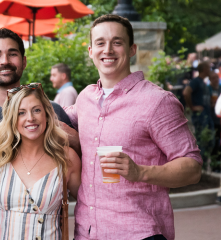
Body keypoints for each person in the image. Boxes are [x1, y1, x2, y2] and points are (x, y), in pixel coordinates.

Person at [63, 14, 202, 240]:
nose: (107, 50)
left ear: (132, 49)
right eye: (100, 43)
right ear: (90, 51)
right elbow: (55, 120)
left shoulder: (157, 102)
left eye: (117, 42)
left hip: (138, 233)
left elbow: (193, 168)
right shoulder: (85, 98)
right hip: (87, 231)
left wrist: (140, 172)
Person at [0, 27, 81, 240]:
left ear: (24, 62)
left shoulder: (53, 111)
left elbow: (79, 161)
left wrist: (66, 133)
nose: (4, 61)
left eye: (12, 54)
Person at [0, 83, 81, 239]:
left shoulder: (66, 158)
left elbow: (88, 206)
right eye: (21, 113)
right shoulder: (1, 157)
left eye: (36, 110)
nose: (30, 118)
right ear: (12, 118)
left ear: (46, 114)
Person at [183, 61, 214, 160]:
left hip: (207, 115)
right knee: (202, 141)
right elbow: (186, 92)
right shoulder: (196, 81)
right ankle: (201, 164)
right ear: (204, 69)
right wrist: (192, 107)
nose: (210, 70)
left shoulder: (203, 82)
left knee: (210, 140)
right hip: (200, 116)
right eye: (209, 67)